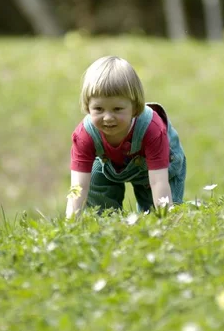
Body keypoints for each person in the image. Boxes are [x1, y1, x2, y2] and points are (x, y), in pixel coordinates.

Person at [66, 56, 186, 218]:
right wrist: (71, 222)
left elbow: (159, 182)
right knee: (95, 177)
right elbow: (78, 186)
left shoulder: (151, 129)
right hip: (110, 165)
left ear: (135, 108)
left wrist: (165, 220)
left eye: (117, 109)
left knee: (155, 214)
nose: (108, 117)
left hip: (162, 168)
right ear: (88, 107)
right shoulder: (85, 135)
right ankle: (105, 223)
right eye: (99, 109)